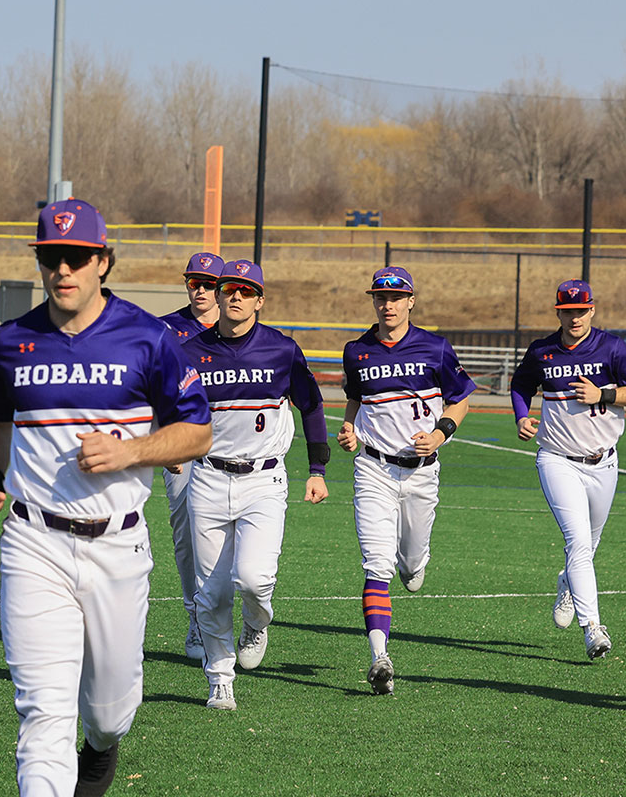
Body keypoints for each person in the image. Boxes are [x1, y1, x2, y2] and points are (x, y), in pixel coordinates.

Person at [0, 199, 211, 797]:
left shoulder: (150, 338)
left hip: (118, 546)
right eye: (50, 256)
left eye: (76, 257)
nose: (61, 268)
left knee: (107, 707)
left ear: (104, 260)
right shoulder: (11, 343)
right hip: (34, 544)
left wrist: (132, 451)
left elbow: (197, 431)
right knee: (41, 713)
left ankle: (103, 744)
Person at [180, 259, 329, 710]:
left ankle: (257, 622)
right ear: (220, 296)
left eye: (246, 291)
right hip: (206, 476)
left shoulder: (282, 350)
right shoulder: (189, 351)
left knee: (253, 579)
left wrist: (318, 468)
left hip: (264, 478)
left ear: (260, 300)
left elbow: (312, 405)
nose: (236, 297)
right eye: (229, 289)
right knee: (212, 591)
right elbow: (170, 405)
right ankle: (220, 678)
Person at [336, 266, 474, 694]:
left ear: (411, 300)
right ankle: (380, 657)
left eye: (396, 297)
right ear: (373, 301)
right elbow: (356, 399)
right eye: (380, 297)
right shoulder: (357, 350)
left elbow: (462, 398)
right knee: (376, 565)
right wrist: (348, 429)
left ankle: (413, 561)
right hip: (374, 468)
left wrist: (439, 434)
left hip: (421, 474)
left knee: (412, 568)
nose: (388, 304)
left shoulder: (435, 347)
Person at [509, 280, 626, 659]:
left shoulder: (612, 348)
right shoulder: (542, 351)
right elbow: (521, 384)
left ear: (593, 310)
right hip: (557, 459)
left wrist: (604, 393)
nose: (575, 316)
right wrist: (522, 416)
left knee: (590, 543)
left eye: (582, 309)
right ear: (558, 312)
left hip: (603, 462)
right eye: (568, 310)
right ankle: (593, 628)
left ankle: (568, 583)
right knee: (579, 542)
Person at [154, 251, 224, 657]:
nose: (199, 289)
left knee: (228, 535)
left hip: (230, 445)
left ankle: (232, 613)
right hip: (182, 440)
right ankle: (196, 618)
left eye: (208, 283)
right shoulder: (165, 329)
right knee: (186, 534)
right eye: (193, 282)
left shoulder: (239, 326)